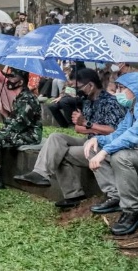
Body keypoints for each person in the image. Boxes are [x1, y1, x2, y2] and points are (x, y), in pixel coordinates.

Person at [14, 68, 124, 209]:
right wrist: (86, 125)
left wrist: (87, 124)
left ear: (90, 86)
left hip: (105, 146)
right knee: (55, 138)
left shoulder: (111, 102)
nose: (75, 91)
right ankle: (40, 174)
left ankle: (84, 195)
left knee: (61, 153)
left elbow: (113, 130)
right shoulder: (88, 102)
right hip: (89, 140)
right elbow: (78, 128)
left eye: (77, 87)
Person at [85, 73, 138, 235]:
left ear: (135, 88)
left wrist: (106, 151)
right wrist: (98, 140)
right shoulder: (132, 109)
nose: (118, 92)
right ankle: (115, 196)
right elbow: (120, 132)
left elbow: (132, 135)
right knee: (93, 149)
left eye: (122, 88)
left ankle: (132, 210)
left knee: (120, 157)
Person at [0, 68, 43, 189]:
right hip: (21, 132)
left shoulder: (27, 99)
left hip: (30, 136)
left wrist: (0, 131)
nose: (8, 80)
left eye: (12, 77)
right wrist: (3, 111)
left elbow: (17, 125)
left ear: (21, 82)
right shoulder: (20, 97)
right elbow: (13, 120)